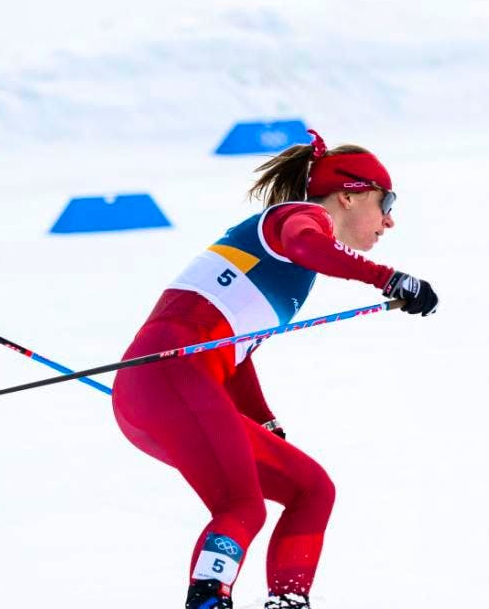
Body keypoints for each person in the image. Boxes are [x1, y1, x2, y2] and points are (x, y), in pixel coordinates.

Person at [112, 130, 439, 609]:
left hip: (174, 388)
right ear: (349, 195)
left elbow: (235, 354)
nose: (389, 221)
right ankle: (208, 598)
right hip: (169, 374)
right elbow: (309, 246)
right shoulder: (298, 220)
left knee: (311, 488)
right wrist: (389, 278)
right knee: (240, 504)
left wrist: (263, 420)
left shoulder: (290, 266)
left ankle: (288, 601)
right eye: (385, 202)